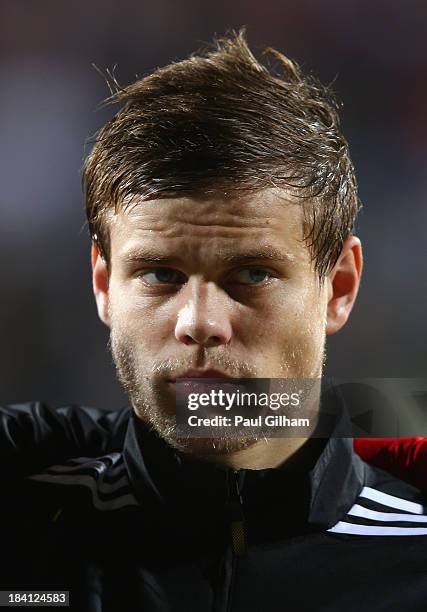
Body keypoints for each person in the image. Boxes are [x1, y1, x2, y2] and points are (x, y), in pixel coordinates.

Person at [2, 31, 427, 611]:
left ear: (340, 288)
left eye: (251, 275)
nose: (200, 323)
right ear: (104, 286)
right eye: (159, 274)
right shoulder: (24, 516)